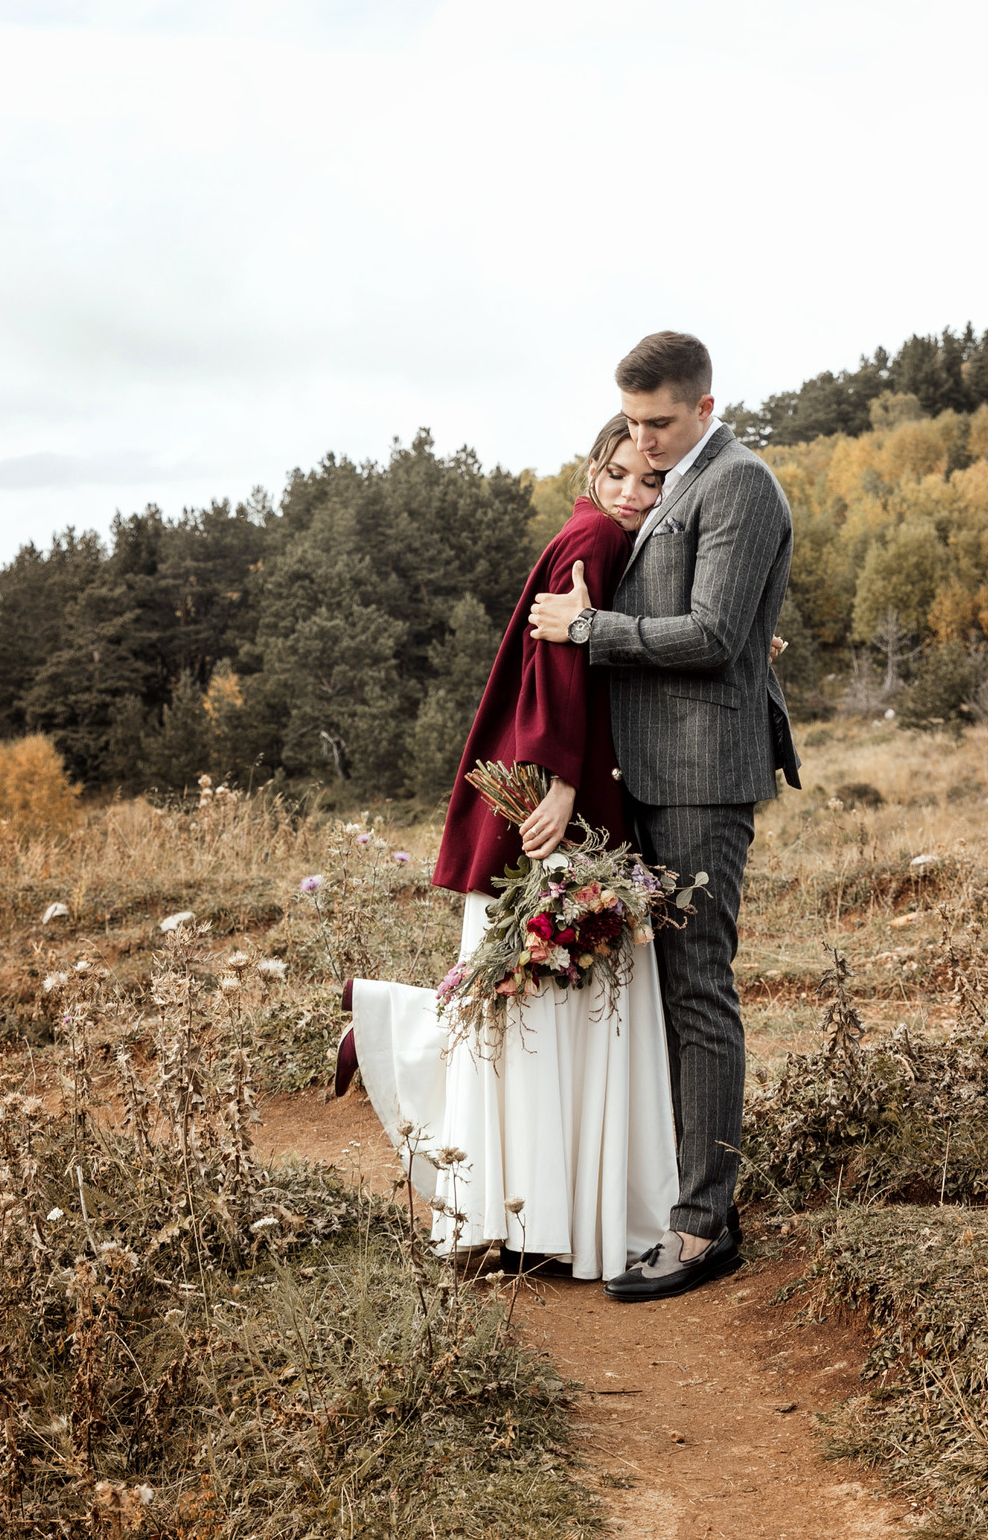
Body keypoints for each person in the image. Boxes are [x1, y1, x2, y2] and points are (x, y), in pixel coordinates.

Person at [336, 418, 682, 1281]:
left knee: (525, 995)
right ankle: (531, 1205)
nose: (632, 496)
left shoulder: (600, 532)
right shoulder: (595, 536)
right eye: (619, 475)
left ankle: (505, 1193)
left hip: (556, 786)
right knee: (536, 996)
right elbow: (556, 658)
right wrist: (562, 780)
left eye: (649, 483)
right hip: (552, 800)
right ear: (593, 470)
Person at [529, 329, 798, 1303]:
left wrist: (588, 629)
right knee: (665, 991)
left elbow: (718, 635)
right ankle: (661, 1189)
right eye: (632, 423)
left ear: (705, 409)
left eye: (659, 423)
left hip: (700, 779)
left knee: (697, 990)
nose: (641, 443)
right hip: (645, 773)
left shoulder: (738, 484)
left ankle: (702, 1229)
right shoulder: (671, 480)